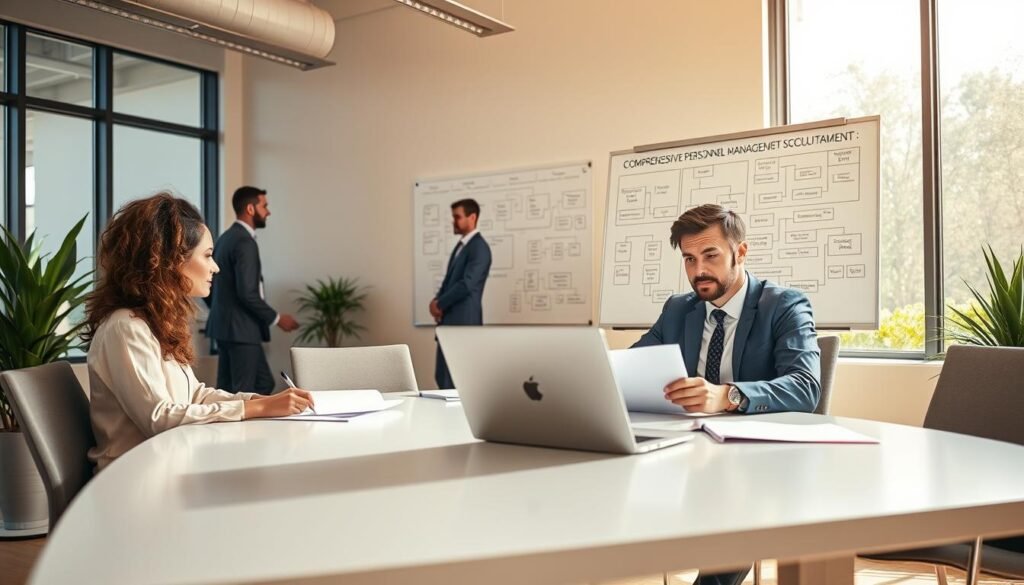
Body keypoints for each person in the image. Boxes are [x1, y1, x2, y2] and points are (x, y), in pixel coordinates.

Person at [634, 203, 820, 585]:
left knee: (735, 507)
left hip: (757, 461)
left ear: (741, 252)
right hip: (689, 453)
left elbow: (805, 386)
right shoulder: (677, 309)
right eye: (688, 258)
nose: (698, 270)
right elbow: (635, 365)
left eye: (710, 255)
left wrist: (727, 396)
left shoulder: (783, 305)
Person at [84, 193, 313, 472]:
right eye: (207, 256)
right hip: (134, 480)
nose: (215, 267)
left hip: (167, 466)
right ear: (169, 261)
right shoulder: (126, 327)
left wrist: (258, 401)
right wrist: (256, 409)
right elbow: (159, 418)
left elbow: (195, 395)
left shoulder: (154, 323)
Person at [206, 186, 299, 395]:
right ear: (250, 209)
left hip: (225, 328)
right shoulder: (244, 242)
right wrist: (276, 318)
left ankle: (224, 427)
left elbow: (211, 287)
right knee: (245, 392)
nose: (268, 212)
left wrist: (223, 312)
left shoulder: (225, 238)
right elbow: (247, 292)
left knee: (238, 388)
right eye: (264, 206)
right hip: (241, 331)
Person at [430, 198, 492, 389]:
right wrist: (436, 300)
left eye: (457, 217)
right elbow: (450, 280)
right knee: (443, 378)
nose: (454, 221)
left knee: (457, 383)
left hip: (464, 324)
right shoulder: (461, 246)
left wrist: (440, 304)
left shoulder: (479, 248)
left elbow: (467, 284)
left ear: (472, 217)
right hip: (449, 324)